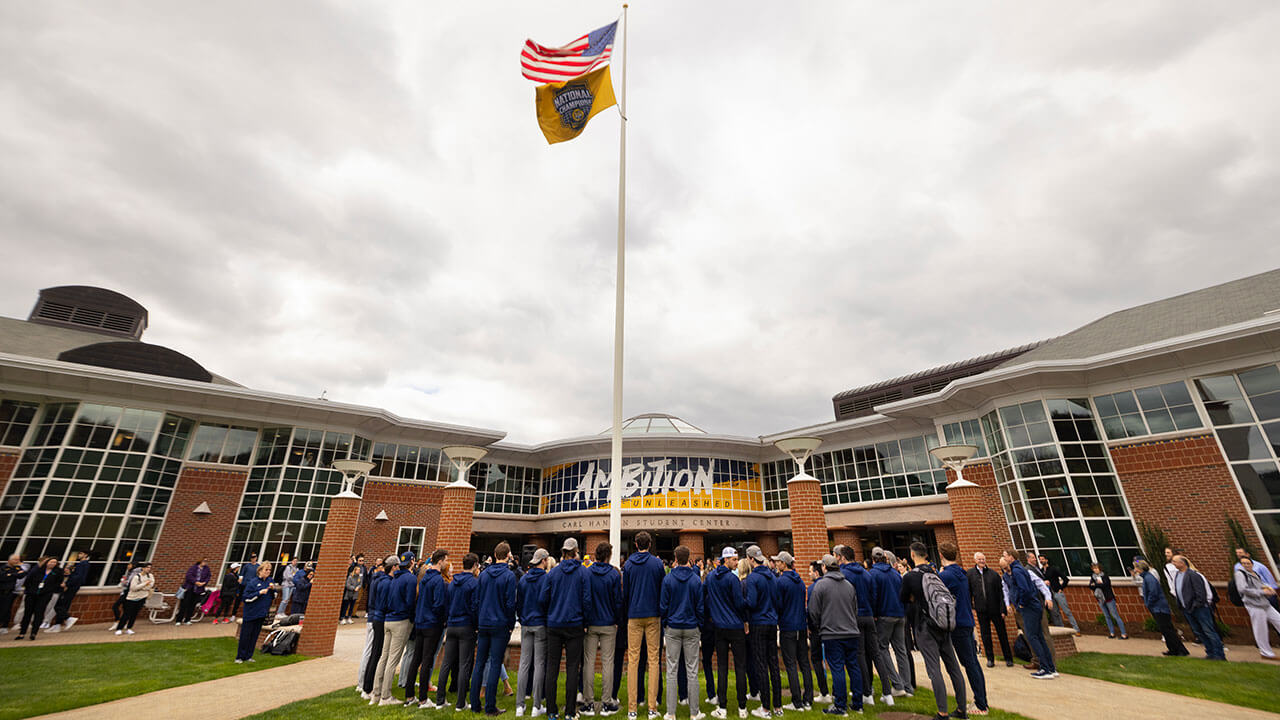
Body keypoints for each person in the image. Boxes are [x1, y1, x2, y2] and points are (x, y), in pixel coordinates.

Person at [901, 542, 967, 720]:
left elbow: (904, 598)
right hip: (943, 624)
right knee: (953, 667)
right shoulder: (935, 572)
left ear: (912, 555)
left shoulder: (910, 577)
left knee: (934, 669)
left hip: (925, 626)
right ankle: (962, 709)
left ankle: (942, 712)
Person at [837, 545, 896, 708]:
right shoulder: (866, 572)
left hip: (854, 617)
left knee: (860, 655)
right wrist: (873, 612)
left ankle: (867, 693)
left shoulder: (844, 574)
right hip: (869, 615)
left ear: (842, 557)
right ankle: (887, 693)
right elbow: (874, 594)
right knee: (876, 654)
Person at [538, 538, 588, 720]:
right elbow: (587, 600)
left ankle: (552, 711)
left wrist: (550, 613)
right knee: (572, 668)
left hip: (555, 624)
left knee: (552, 667)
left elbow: (543, 599)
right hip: (575, 625)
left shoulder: (553, 573)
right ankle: (569, 712)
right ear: (576, 551)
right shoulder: (583, 572)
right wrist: (585, 622)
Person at [938, 543, 987, 716]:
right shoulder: (961, 573)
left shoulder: (946, 576)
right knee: (972, 662)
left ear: (941, 555)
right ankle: (981, 700)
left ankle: (981, 705)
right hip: (967, 620)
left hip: (957, 623)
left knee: (969, 663)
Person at [808, 554, 860, 717]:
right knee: (853, 667)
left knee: (837, 668)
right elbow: (855, 609)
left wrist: (820, 626)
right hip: (851, 632)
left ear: (824, 567)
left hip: (832, 633)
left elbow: (813, 611)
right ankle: (858, 704)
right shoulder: (849, 585)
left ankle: (840, 705)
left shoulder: (821, 585)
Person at [470, 542, 517, 717]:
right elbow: (510, 603)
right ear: (508, 555)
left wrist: (477, 622)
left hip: (484, 623)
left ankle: (475, 704)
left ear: (495, 555)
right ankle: (490, 706)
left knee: (479, 663)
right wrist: (511, 624)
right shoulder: (509, 576)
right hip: (499, 624)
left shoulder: (483, 575)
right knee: (495, 663)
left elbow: (477, 601)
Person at [624, 531, 665, 720]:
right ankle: (651, 708)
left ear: (635, 544)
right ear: (649, 544)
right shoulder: (657, 564)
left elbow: (626, 592)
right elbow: (661, 589)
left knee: (633, 661)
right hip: (653, 615)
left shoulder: (629, 564)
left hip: (634, 615)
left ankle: (632, 709)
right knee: (654, 660)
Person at [660, 545, 704, 720]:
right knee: (692, 670)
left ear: (676, 559)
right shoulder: (695, 580)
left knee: (672, 670)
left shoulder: (668, 579)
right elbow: (700, 606)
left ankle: (671, 713)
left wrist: (666, 623)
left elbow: (663, 605)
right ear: (689, 558)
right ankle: (694, 713)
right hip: (691, 627)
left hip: (674, 627)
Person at [707, 547, 748, 720]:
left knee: (722, 667)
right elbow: (739, 603)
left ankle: (722, 707)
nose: (736, 562)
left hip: (719, 627)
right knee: (739, 667)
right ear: (725, 560)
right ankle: (741, 707)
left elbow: (707, 599)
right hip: (735, 627)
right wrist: (745, 618)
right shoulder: (732, 579)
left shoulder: (709, 578)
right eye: (733, 559)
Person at [372, 552, 417, 705]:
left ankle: (376, 693)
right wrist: (411, 618)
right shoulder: (410, 578)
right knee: (392, 659)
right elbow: (410, 601)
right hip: (400, 620)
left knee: (384, 657)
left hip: (388, 620)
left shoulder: (394, 578)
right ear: (411, 562)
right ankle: (385, 696)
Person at [741, 545, 781, 719]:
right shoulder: (772, 576)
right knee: (774, 664)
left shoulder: (752, 578)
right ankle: (777, 706)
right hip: (772, 623)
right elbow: (777, 600)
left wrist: (740, 603)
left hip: (758, 623)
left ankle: (765, 708)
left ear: (751, 559)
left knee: (761, 665)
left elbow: (751, 602)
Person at [404, 550, 448, 706]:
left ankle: (409, 696)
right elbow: (439, 604)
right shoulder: (438, 581)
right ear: (440, 561)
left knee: (416, 659)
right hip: (431, 624)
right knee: (427, 660)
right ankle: (423, 699)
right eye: (445, 560)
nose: (446, 563)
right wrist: (442, 620)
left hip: (420, 622)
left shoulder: (423, 578)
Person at [1001, 550, 1055, 679]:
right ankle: (1050, 668)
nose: (1003, 558)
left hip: (1029, 607)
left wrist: (1021, 604)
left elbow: (1025, 589)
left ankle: (1045, 668)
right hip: (1032, 606)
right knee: (1038, 637)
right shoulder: (1014, 571)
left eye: (1004, 556)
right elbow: (1008, 590)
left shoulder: (1017, 571)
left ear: (1011, 557)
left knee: (1033, 637)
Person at [438, 553, 481, 710]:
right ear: (475, 565)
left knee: (446, 663)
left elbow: (447, 603)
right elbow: (474, 606)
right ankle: (461, 703)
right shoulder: (474, 584)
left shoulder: (453, 582)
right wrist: (475, 623)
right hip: (466, 626)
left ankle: (440, 700)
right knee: (464, 664)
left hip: (452, 625)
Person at [585, 542, 623, 717]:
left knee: (589, 663)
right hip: (608, 623)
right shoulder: (614, 575)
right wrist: (616, 619)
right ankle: (607, 702)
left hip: (592, 623)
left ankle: (588, 703)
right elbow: (617, 600)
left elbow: (585, 598)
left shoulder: (587, 573)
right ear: (608, 555)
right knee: (608, 663)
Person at [868, 547, 911, 697]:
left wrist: (874, 613)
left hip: (884, 615)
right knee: (901, 650)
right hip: (900, 614)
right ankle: (907, 686)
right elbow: (904, 594)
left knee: (882, 648)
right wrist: (903, 610)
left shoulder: (873, 574)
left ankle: (897, 685)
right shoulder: (895, 573)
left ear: (873, 559)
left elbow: (873, 596)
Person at [773, 551, 813, 711]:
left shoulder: (781, 582)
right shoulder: (800, 581)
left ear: (784, 563)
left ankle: (796, 701)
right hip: (801, 625)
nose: (776, 564)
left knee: (790, 664)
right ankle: (808, 699)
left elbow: (779, 604)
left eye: (778, 562)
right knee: (804, 663)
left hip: (788, 626)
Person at [516, 548, 550, 717]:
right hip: (540, 623)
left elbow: (519, 603)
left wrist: (523, 619)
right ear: (543, 561)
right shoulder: (546, 579)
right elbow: (546, 601)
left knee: (524, 663)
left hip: (526, 624)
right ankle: (536, 705)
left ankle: (519, 706)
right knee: (539, 664)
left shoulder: (523, 579)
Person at [1172, 554, 1224, 661]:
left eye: (1175, 561)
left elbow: (1200, 593)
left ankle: (1219, 654)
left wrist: (1195, 605)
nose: (1173, 563)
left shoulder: (1193, 575)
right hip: (1186, 609)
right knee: (1199, 632)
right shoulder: (1178, 575)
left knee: (1209, 631)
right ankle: (1210, 652)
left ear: (1182, 563)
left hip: (1199, 609)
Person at [1133, 559, 1187, 656]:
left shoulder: (1149, 578)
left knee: (1167, 629)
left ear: (1140, 568)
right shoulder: (1147, 577)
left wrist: (1149, 603)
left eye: (1136, 567)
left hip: (1159, 608)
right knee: (1166, 630)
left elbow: (1153, 593)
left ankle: (1179, 650)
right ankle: (1174, 649)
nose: (1135, 570)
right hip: (1158, 607)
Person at [966, 553, 1011, 668]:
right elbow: (969, 592)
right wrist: (971, 607)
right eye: (979, 559)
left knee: (1002, 634)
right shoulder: (970, 574)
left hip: (995, 609)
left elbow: (1000, 593)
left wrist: (1003, 610)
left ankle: (1008, 658)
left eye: (983, 559)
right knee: (985, 635)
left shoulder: (993, 574)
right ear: (975, 560)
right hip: (981, 610)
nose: (982, 561)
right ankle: (990, 659)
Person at [1234, 556, 1280, 659]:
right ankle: (1266, 653)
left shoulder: (1254, 573)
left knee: (1278, 620)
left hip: (1265, 603)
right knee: (1261, 629)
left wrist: (1268, 589)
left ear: (1252, 564)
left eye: (1248, 563)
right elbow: (1243, 589)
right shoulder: (1240, 574)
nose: (1246, 565)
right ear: (1241, 565)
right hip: (1254, 605)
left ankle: (1266, 652)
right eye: (1244, 563)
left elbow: (1259, 585)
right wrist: (1262, 592)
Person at [360, 562, 390, 698]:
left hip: (373, 616)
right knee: (373, 653)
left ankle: (364, 684)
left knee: (371, 652)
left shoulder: (376, 580)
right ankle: (365, 686)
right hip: (376, 617)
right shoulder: (382, 582)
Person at [237, 561, 274, 662]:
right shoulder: (253, 582)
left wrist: (273, 590)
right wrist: (259, 593)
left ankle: (249, 656)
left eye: (270, 570)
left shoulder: (270, 581)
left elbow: (273, 597)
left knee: (254, 636)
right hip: (251, 613)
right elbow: (246, 598)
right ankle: (240, 656)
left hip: (261, 614)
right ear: (260, 571)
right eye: (266, 570)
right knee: (245, 635)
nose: (268, 572)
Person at [16, 557, 60, 640]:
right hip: (31, 594)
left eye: (55, 562)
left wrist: (49, 590)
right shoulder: (37, 571)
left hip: (44, 595)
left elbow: (58, 583)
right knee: (27, 613)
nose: (53, 564)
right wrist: (29, 590)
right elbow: (28, 580)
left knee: (39, 613)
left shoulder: (56, 572)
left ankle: (34, 633)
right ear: (46, 562)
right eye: (51, 562)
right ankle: (22, 633)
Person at [806, 561, 830, 703]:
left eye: (810, 571)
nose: (808, 574)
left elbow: (811, 610)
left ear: (816, 573)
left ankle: (824, 692)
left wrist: (811, 625)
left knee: (816, 660)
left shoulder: (813, 588)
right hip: (831, 627)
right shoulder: (830, 585)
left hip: (817, 629)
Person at [1036, 555, 1079, 635]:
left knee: (1066, 611)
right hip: (1049, 595)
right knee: (1055, 613)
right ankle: (1061, 630)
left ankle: (1076, 629)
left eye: (1042, 559)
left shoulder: (1053, 569)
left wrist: (1061, 588)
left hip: (1057, 592)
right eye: (1040, 560)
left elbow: (1065, 579)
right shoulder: (1041, 571)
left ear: (1047, 560)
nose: (1041, 561)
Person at [1087, 563, 1126, 639]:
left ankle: (1124, 633)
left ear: (1100, 569)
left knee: (1115, 616)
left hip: (1109, 598)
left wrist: (1095, 584)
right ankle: (1112, 633)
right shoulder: (1093, 577)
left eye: (1096, 568)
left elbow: (1105, 585)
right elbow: (1090, 586)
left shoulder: (1105, 576)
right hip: (1100, 599)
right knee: (1107, 616)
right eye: (1094, 568)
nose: (1095, 570)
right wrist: (1095, 585)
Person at [114, 562, 154, 635]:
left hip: (142, 597)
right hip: (132, 598)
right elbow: (133, 588)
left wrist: (142, 587)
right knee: (126, 613)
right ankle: (119, 628)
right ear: (143, 568)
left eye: (150, 567)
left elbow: (150, 586)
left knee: (134, 614)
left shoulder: (150, 576)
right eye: (147, 567)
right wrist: (145, 584)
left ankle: (129, 628)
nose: (149, 569)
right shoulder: (136, 577)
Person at [175, 558, 210, 626]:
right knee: (184, 604)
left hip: (198, 590)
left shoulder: (206, 569)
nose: (205, 562)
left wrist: (204, 583)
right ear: (200, 561)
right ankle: (179, 620)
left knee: (192, 605)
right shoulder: (193, 568)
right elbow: (188, 576)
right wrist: (195, 582)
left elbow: (208, 576)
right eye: (204, 561)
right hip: (190, 588)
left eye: (206, 561)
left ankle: (187, 619)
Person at [1, 554, 28, 633]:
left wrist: (10, 574)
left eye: (18, 560)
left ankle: (4, 625)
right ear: (9, 560)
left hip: (10, 592)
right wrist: (14, 574)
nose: (17, 561)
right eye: (15, 560)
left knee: (7, 609)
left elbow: (22, 575)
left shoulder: (17, 568)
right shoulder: (3, 567)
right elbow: (2, 577)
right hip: (2, 590)